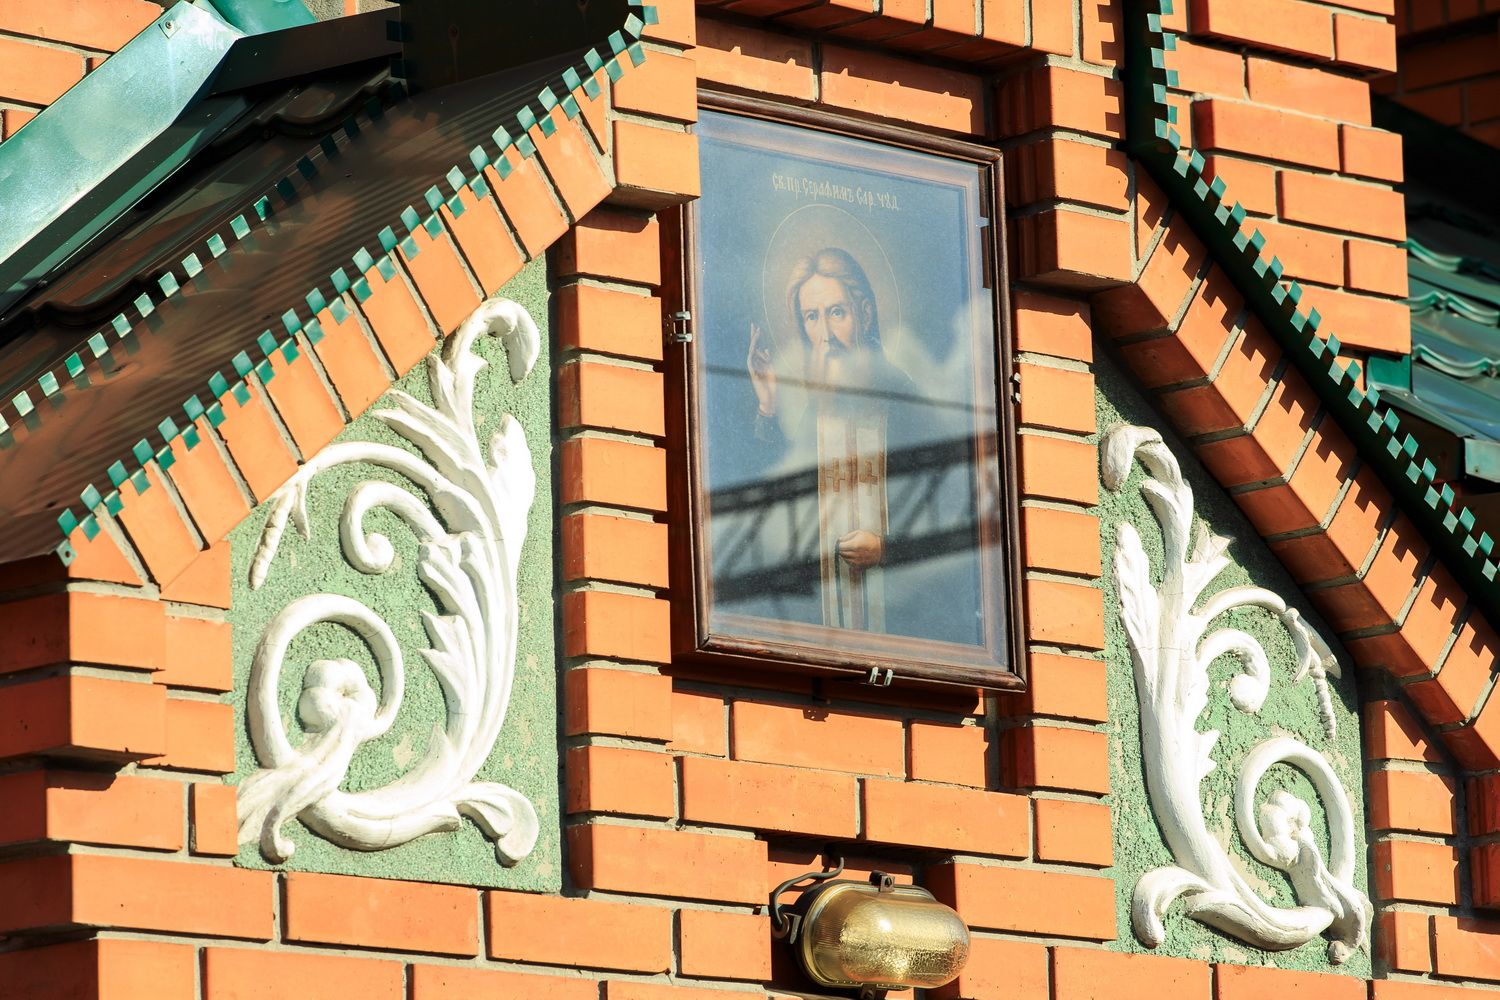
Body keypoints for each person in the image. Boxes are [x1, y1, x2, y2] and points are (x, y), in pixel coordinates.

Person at [745, 247, 919, 628]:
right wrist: (768, 406)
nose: (825, 335)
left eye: (837, 312)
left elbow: (950, 512)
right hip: (821, 616)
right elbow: (777, 493)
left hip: (900, 619)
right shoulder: (817, 411)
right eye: (812, 317)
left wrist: (886, 549)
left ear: (865, 314)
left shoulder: (904, 401)